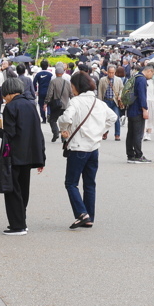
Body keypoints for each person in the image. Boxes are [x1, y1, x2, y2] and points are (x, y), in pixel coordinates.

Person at [58, 71, 116, 229]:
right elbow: (113, 117)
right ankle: (89, 216)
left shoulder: (75, 102)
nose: (71, 89)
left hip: (78, 147)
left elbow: (66, 118)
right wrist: (101, 130)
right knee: (90, 184)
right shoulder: (99, 103)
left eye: (72, 86)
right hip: (94, 147)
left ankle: (82, 213)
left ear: (77, 86)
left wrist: (63, 127)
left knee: (71, 183)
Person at [0, 77, 46, 235]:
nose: (4, 98)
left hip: (14, 155)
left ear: (8, 92)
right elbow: (38, 132)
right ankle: (22, 221)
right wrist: (41, 156)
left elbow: (10, 134)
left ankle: (17, 225)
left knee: (12, 190)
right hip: (29, 155)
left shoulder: (11, 107)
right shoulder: (30, 105)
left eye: (4, 95)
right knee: (23, 189)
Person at [124, 63, 151, 163]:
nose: (151, 77)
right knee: (138, 134)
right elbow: (142, 96)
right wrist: (145, 109)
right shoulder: (142, 79)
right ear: (149, 71)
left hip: (131, 109)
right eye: (151, 74)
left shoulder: (135, 76)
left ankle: (130, 155)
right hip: (138, 110)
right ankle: (138, 155)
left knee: (130, 133)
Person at [97, 65, 124, 141]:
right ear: (107, 72)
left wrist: (120, 96)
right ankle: (105, 132)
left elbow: (122, 89)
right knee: (105, 118)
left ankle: (117, 134)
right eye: (110, 72)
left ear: (115, 72)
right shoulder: (102, 80)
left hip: (114, 101)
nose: (111, 74)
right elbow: (100, 92)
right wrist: (100, 102)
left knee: (116, 118)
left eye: (112, 73)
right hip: (105, 101)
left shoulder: (118, 80)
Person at [46, 63, 72, 142]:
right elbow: (71, 94)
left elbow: (50, 93)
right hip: (65, 105)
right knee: (64, 121)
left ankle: (56, 132)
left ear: (56, 73)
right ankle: (63, 137)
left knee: (52, 120)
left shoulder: (53, 82)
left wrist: (46, 102)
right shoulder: (67, 83)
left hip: (56, 105)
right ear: (63, 73)